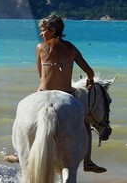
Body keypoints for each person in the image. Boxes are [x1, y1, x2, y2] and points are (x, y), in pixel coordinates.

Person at [36, 13, 106, 173]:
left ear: (52, 30)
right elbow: (89, 71)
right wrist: (89, 80)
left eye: (43, 30)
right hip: (66, 94)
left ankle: (19, 152)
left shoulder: (40, 47)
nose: (41, 34)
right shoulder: (71, 48)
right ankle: (88, 162)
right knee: (86, 123)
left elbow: (41, 75)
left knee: (25, 113)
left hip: (43, 92)